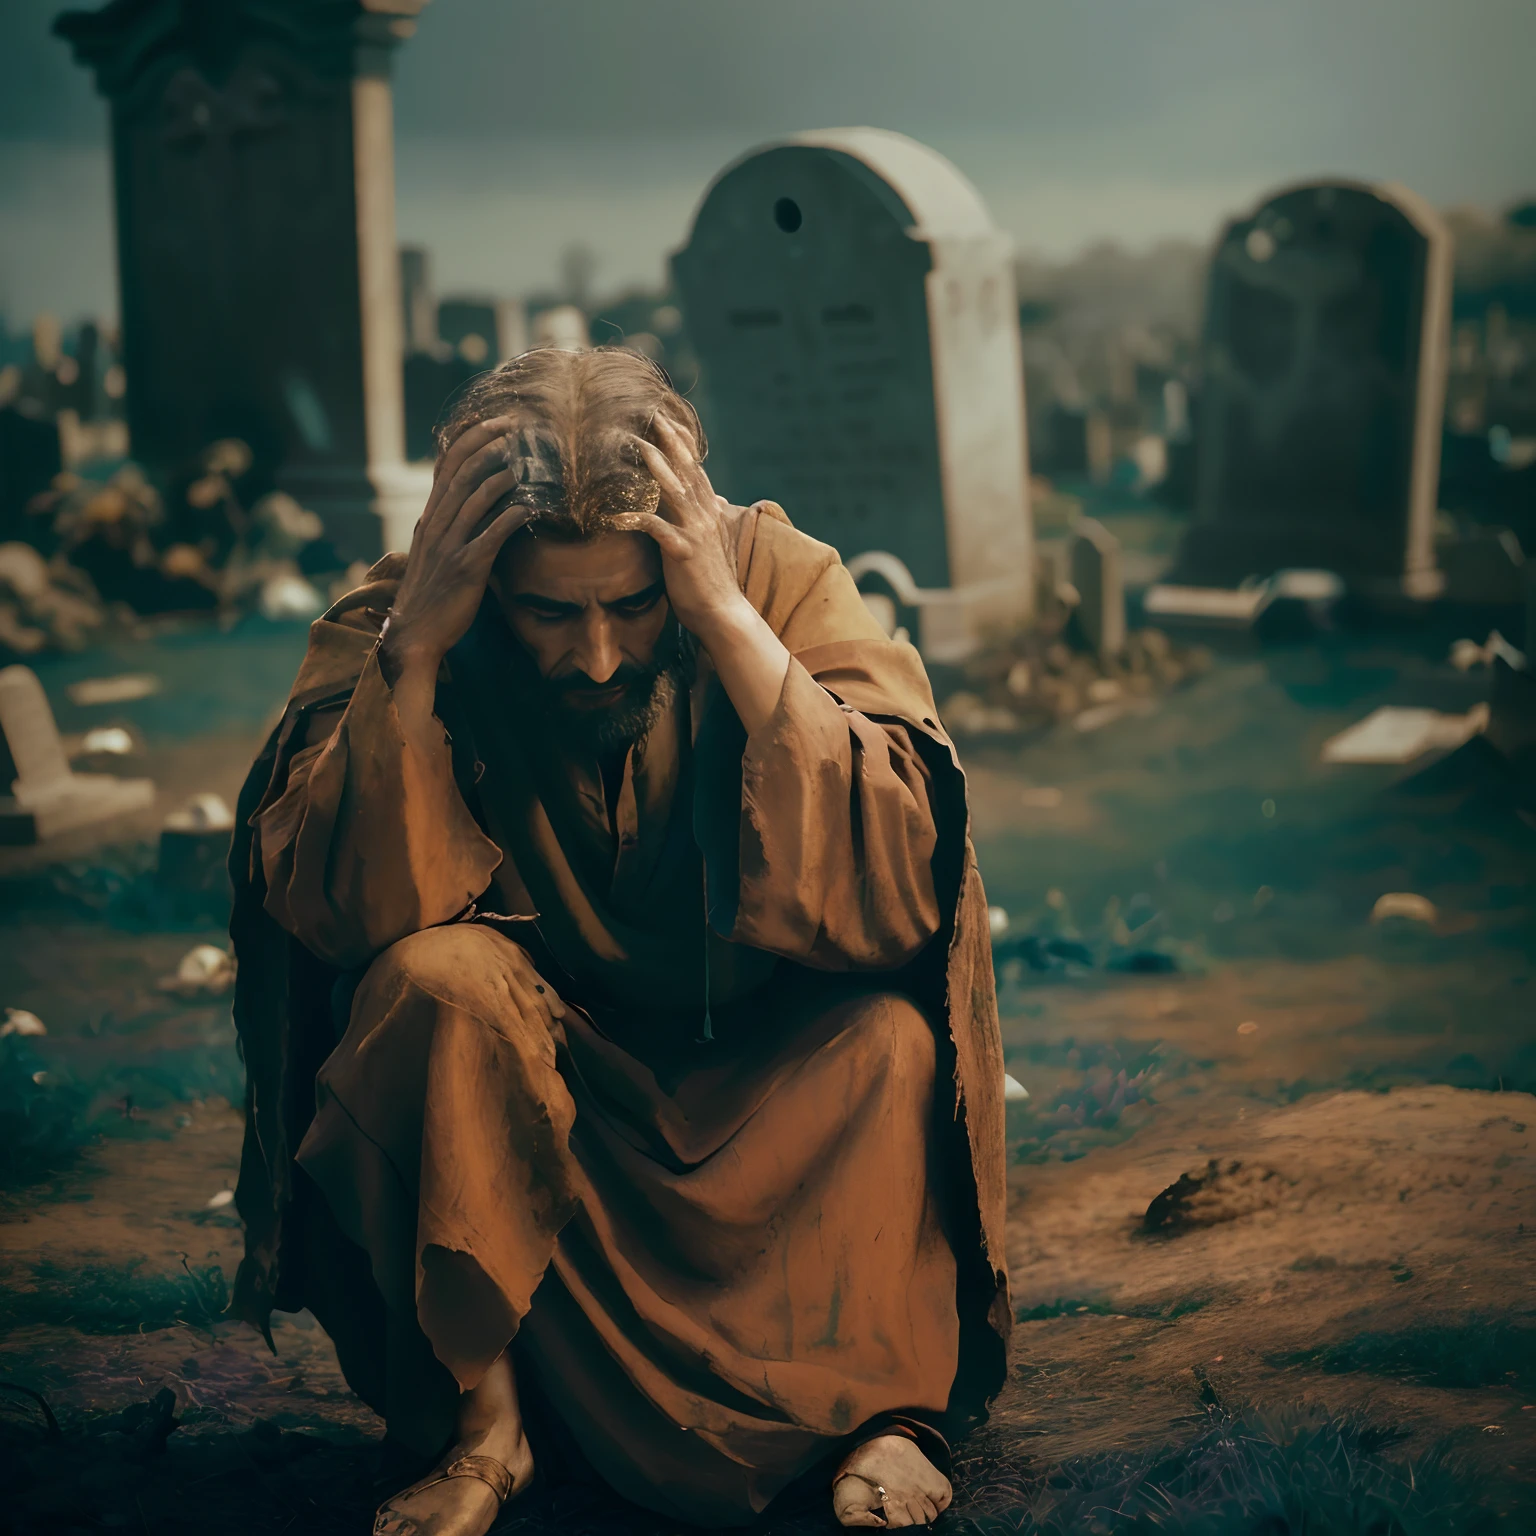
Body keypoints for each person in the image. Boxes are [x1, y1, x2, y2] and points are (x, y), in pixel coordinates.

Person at [228, 347, 1010, 1533]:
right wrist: (419, 652)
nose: (597, 656)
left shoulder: (779, 580)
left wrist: (726, 621)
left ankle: (885, 1415)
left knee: (891, 1046)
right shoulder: (405, 614)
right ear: (482, 576)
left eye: (631, 605)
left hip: (770, 1089)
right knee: (426, 987)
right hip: (541, 1109)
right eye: (549, 612)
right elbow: (345, 915)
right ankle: (484, 1431)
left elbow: (905, 884)